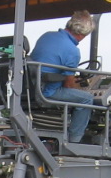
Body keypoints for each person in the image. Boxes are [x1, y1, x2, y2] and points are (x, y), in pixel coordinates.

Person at [29, 10, 96, 143]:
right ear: (83, 34)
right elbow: (68, 85)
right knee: (87, 99)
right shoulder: (73, 51)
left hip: (31, 87)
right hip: (47, 92)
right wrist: (79, 85)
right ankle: (75, 141)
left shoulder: (47, 36)